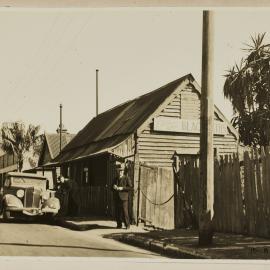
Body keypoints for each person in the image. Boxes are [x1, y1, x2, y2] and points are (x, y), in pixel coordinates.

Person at [112, 162, 133, 229]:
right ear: (117, 171)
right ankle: (119, 225)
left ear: (123, 171)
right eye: (119, 171)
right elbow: (111, 187)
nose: (120, 172)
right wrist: (114, 187)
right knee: (117, 212)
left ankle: (127, 225)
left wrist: (122, 188)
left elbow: (130, 187)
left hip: (124, 198)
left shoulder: (126, 178)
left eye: (121, 171)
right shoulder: (115, 179)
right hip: (116, 197)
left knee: (125, 212)